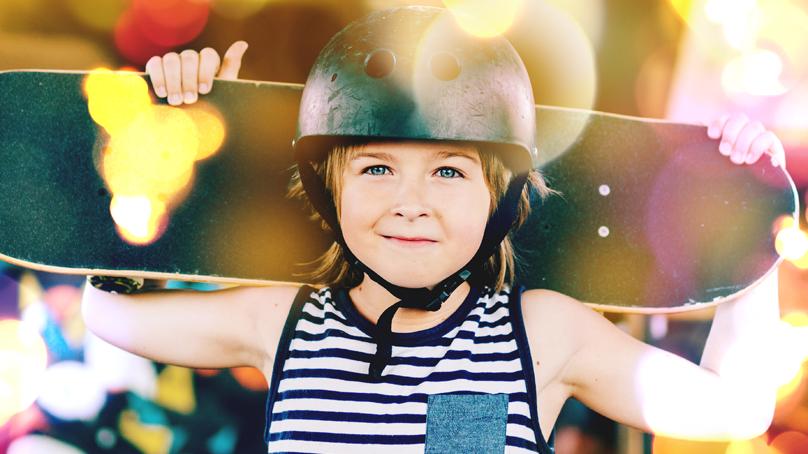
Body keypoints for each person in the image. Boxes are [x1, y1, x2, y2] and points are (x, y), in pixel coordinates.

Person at [82, 6, 791, 454]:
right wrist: (180, 143)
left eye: (450, 172)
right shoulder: (286, 322)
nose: (410, 202)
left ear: (501, 197)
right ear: (328, 190)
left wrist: (749, 215)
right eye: (376, 170)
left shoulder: (541, 335)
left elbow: (736, 408)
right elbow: (107, 312)